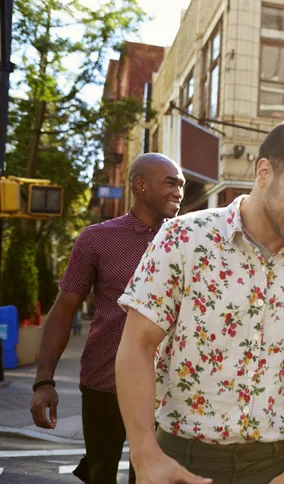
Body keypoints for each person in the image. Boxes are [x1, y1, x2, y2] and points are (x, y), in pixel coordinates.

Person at [115, 119, 284, 484]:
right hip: (182, 457)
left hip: (279, 465)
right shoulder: (182, 238)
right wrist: (145, 457)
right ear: (264, 172)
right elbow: (136, 347)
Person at [30, 153, 186, 484]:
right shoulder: (97, 239)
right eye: (171, 183)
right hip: (105, 382)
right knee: (100, 473)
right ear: (140, 186)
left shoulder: (190, 240)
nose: (179, 191)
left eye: (181, 185)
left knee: (153, 478)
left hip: (169, 390)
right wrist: (44, 381)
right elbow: (64, 310)